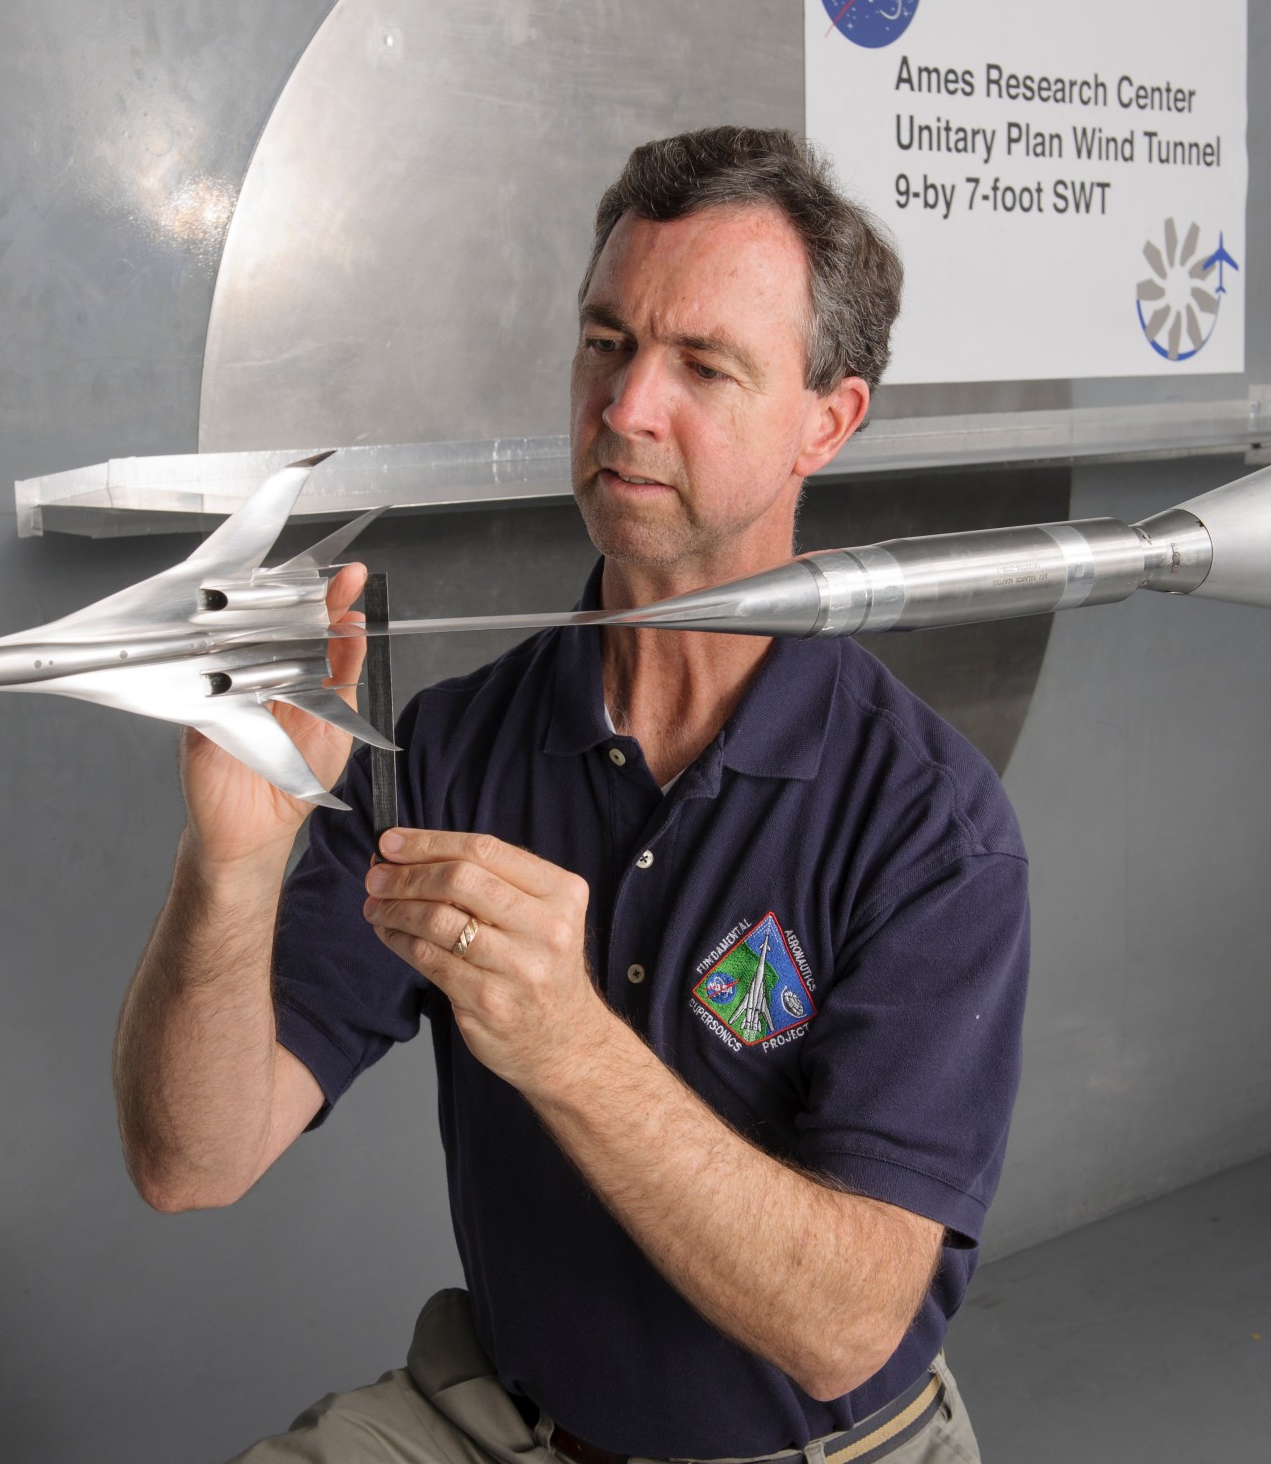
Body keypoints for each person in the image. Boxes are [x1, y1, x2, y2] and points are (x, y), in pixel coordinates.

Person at [114, 127, 1029, 1464]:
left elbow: (848, 1325)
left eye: (704, 365)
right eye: (607, 342)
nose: (626, 405)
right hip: (509, 1425)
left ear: (826, 420)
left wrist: (566, 1041)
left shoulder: (928, 824)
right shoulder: (450, 745)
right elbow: (190, 1159)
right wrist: (234, 862)